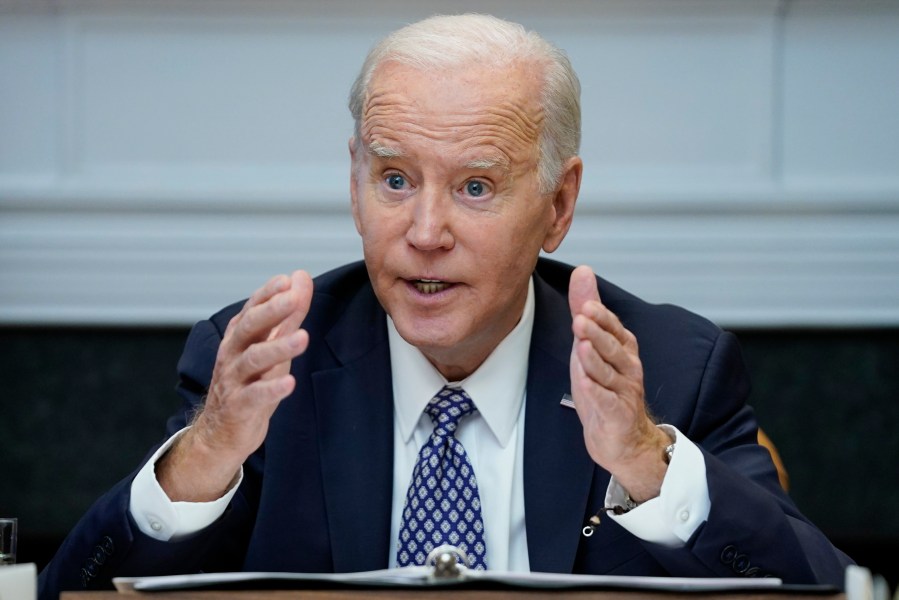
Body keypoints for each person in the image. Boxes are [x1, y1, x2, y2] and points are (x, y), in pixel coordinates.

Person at [38, 13, 852, 599]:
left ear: (558, 206)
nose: (424, 232)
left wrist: (644, 460)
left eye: (474, 186)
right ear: (352, 180)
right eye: (393, 180)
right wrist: (203, 457)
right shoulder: (268, 364)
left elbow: (818, 588)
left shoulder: (669, 366)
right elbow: (69, 591)